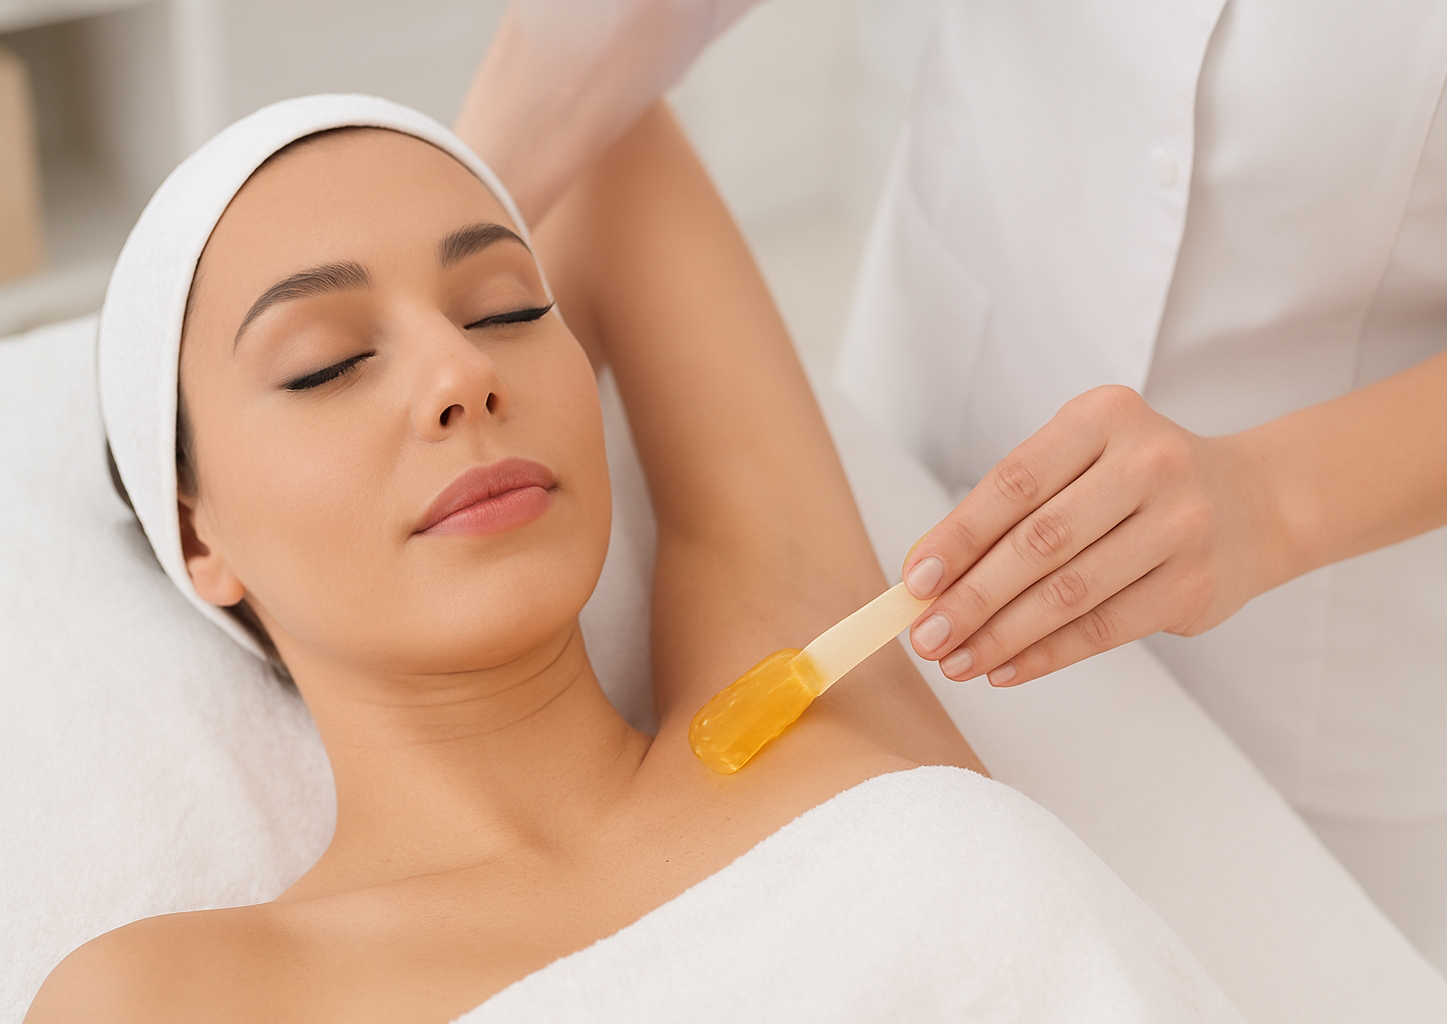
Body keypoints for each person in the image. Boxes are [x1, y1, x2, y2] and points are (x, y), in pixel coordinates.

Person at [24, 93, 1243, 1022]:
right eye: (326, 361)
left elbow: (616, 141)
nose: (461, 374)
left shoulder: (801, 688)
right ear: (198, 533)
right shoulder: (174, 996)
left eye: (503, 306)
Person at [456, 0, 1447, 967]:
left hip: (1350, 637)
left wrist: (1274, 498)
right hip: (946, 402)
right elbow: (600, 71)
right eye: (325, 366)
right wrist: (421, 227)